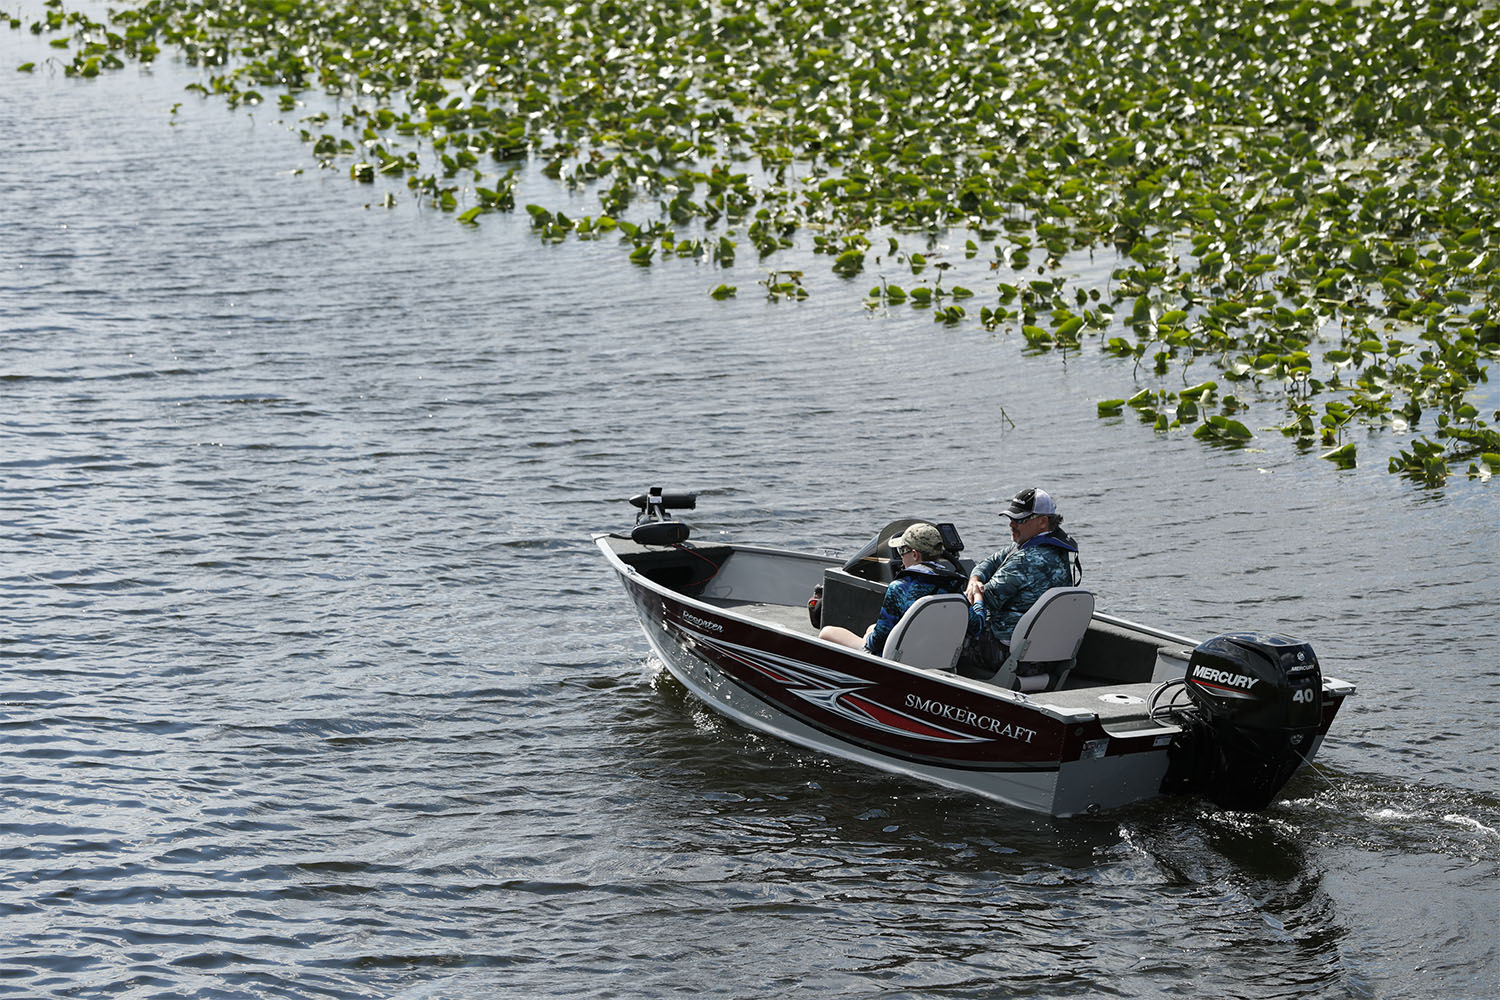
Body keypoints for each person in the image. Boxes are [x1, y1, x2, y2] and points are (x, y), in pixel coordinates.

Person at [961, 487, 1082, 678]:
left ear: (1042, 521)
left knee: (949, 626)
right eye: (1011, 518)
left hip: (1008, 655)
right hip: (1047, 657)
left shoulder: (1025, 560)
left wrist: (971, 591)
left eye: (1019, 519)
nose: (1011, 524)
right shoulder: (1055, 549)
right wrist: (975, 580)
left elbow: (986, 600)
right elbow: (990, 562)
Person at [819, 522, 968, 656]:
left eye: (902, 550)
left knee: (827, 633)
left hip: (897, 659)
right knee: (872, 627)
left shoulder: (899, 587)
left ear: (915, 555)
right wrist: (979, 599)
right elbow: (975, 625)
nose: (901, 557)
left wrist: (867, 640)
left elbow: (876, 643)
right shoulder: (953, 585)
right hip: (934, 655)